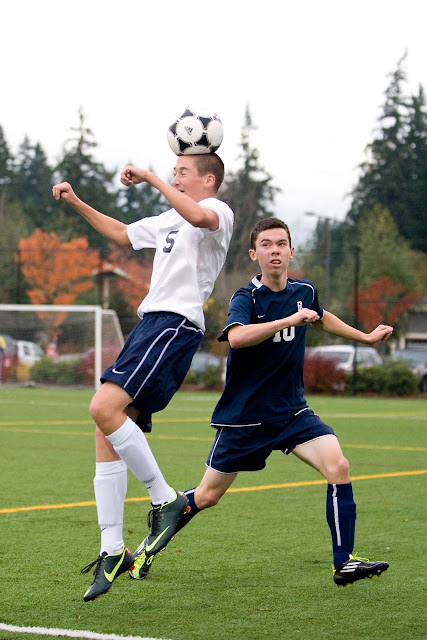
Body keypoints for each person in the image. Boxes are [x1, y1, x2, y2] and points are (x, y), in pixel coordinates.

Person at [131, 217, 392, 587]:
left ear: (291, 251)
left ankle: (344, 562)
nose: (274, 251)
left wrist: (364, 337)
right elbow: (237, 337)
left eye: (281, 244)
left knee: (339, 466)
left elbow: (320, 318)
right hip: (245, 418)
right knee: (207, 495)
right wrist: (289, 319)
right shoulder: (246, 298)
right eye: (266, 245)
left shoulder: (304, 291)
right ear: (254, 254)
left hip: (292, 412)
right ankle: (144, 550)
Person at [52, 153, 234, 601]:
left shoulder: (217, 211)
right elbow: (121, 233)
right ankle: (113, 549)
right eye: (173, 172)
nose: (176, 177)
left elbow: (198, 216)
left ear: (208, 179)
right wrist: (76, 202)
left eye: (183, 172)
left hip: (173, 325)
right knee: (106, 429)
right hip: (150, 325)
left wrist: (152, 177)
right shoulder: (171, 217)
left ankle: (165, 498)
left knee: (102, 408)